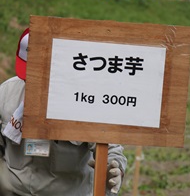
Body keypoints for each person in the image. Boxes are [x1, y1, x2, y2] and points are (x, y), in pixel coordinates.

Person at [0, 28, 127, 195]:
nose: (36, 83)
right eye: (29, 76)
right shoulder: (7, 92)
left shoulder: (85, 99)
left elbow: (110, 147)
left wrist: (114, 167)